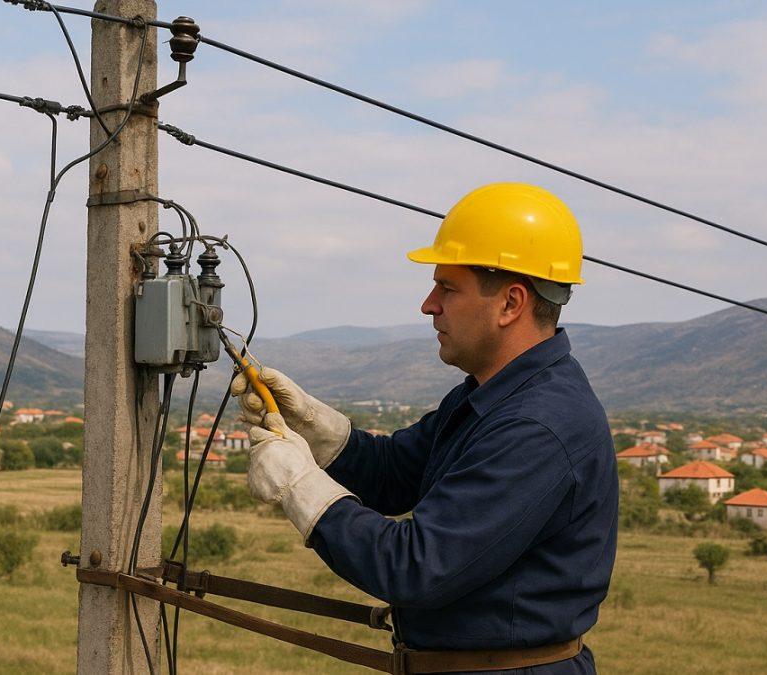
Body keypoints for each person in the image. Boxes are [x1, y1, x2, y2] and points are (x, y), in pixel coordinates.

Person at [232, 183, 617, 674]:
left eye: (447, 288)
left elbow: (415, 567)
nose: (428, 304)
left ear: (510, 304)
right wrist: (315, 428)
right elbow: (395, 473)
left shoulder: (537, 425)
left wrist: (298, 486)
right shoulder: (491, 395)